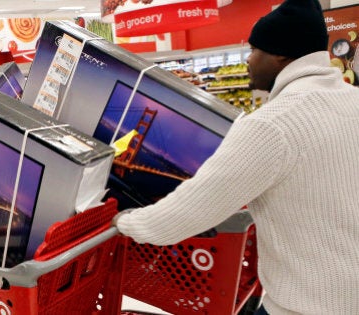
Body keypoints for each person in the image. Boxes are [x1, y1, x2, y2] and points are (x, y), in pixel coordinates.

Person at [113, 0, 359, 314]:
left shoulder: (271, 125)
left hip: (307, 305)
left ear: (280, 54)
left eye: (253, 50)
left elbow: (190, 211)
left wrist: (126, 223)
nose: (247, 61)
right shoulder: (354, 101)